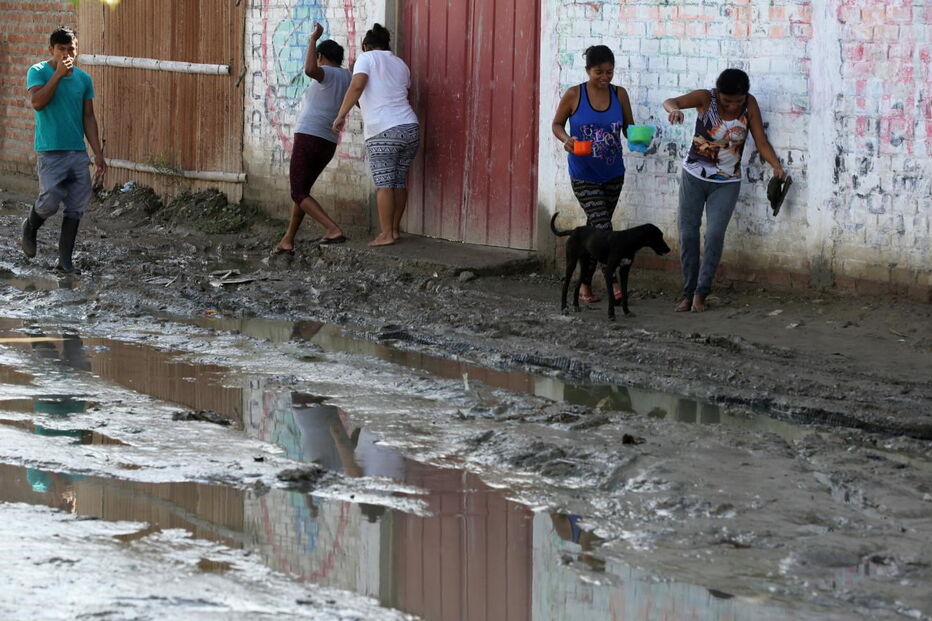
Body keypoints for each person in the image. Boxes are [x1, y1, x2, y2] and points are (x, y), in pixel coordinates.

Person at [663, 68, 786, 313]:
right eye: (727, 100)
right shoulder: (705, 98)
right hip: (694, 177)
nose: (732, 106)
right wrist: (674, 110)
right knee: (688, 234)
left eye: (737, 101)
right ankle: (687, 292)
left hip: (727, 182)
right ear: (718, 93)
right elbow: (671, 102)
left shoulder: (749, 104)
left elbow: (760, 141)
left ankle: (701, 292)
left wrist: (776, 166)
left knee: (715, 235)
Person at [551, 45, 634, 303]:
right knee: (604, 229)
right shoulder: (575, 94)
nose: (605, 77)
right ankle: (614, 283)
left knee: (594, 231)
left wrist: (640, 138)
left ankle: (584, 286)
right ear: (588, 70)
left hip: (613, 173)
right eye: (599, 72)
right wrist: (566, 139)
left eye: (609, 72)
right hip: (583, 172)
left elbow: (628, 129)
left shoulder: (619, 94)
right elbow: (556, 124)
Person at [22, 27, 107, 274]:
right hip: (50, 151)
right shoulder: (38, 72)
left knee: (76, 206)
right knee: (49, 200)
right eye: (61, 49)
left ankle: (65, 262)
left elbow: (89, 117)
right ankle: (30, 226)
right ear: (52, 50)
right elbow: (37, 103)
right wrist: (58, 75)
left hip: (77, 152)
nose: (67, 54)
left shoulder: (83, 79)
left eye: (71, 49)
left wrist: (97, 153)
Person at [332, 23, 419, 247]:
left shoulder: (366, 58)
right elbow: (387, 94)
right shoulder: (401, 64)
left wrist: (341, 115)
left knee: (384, 184)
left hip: (384, 130)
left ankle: (386, 234)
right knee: (398, 181)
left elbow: (357, 86)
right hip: (410, 127)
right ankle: (395, 230)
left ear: (366, 45)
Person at [272, 23, 351, 254]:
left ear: (321, 56)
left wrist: (312, 39)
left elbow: (308, 70)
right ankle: (288, 239)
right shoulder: (348, 76)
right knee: (302, 190)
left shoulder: (325, 73)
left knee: (297, 191)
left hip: (309, 136)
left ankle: (333, 229)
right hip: (328, 141)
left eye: (317, 57)